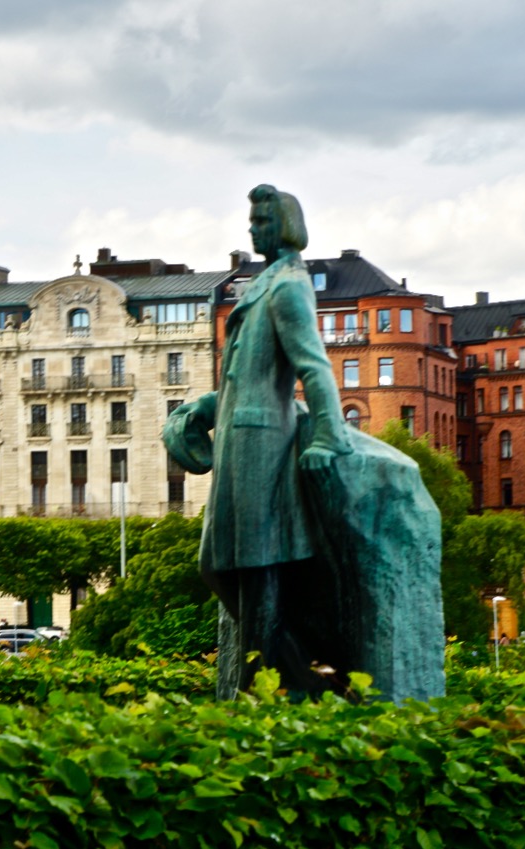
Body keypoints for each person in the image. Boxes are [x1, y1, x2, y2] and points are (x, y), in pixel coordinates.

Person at [165, 184, 353, 695]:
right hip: (237, 442)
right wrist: (204, 409)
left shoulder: (288, 285)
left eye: (263, 220)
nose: (253, 229)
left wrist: (327, 437)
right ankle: (304, 681)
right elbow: (243, 378)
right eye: (251, 220)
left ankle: (269, 690)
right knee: (220, 568)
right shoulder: (263, 284)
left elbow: (314, 366)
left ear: (285, 227)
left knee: (255, 571)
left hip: (262, 445)